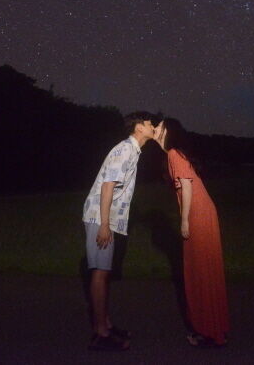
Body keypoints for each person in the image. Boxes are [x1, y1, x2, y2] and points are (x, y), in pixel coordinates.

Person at [81, 111, 157, 351]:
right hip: (100, 217)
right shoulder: (124, 149)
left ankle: (106, 324)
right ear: (138, 128)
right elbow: (107, 187)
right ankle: (100, 334)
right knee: (101, 273)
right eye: (149, 123)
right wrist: (104, 224)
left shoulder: (133, 151)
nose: (153, 126)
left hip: (108, 218)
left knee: (104, 272)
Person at [154, 118, 229, 348]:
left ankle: (208, 332)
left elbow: (186, 185)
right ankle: (213, 329)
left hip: (198, 214)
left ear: (167, 132)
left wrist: (184, 220)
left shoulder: (174, 154)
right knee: (205, 269)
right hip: (203, 211)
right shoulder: (175, 153)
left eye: (159, 126)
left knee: (199, 271)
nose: (155, 129)